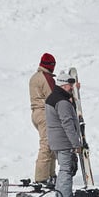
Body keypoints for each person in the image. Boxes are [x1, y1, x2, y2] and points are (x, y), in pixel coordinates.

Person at [45, 72, 82, 197]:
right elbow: (68, 124)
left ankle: (61, 194)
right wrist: (76, 143)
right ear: (64, 85)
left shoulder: (53, 97)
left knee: (64, 168)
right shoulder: (62, 102)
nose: (71, 87)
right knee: (67, 169)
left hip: (56, 140)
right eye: (70, 85)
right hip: (63, 141)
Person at [29, 52, 57, 186]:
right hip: (45, 113)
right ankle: (41, 179)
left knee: (50, 144)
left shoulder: (34, 77)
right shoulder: (46, 78)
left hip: (36, 113)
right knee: (46, 145)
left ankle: (50, 175)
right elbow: (53, 96)